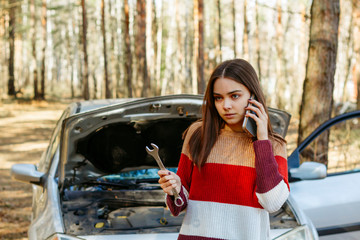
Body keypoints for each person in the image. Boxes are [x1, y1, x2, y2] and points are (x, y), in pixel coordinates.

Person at [158, 59, 289, 240]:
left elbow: (272, 203)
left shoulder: (273, 145)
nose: (225, 105)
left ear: (254, 96)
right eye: (218, 97)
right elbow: (179, 204)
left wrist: (261, 141)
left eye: (234, 96)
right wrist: (175, 188)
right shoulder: (197, 134)